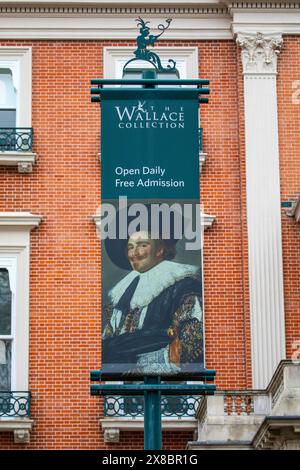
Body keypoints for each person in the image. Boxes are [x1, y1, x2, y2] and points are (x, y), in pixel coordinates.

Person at [102, 229, 203, 375]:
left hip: (165, 388)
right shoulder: (121, 292)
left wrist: (137, 368)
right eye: (130, 247)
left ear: (160, 249)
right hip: (119, 389)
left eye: (142, 245)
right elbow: (106, 343)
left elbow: (190, 343)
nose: (135, 252)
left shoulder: (183, 285)